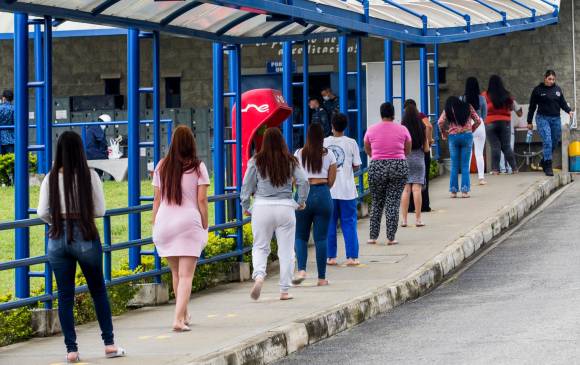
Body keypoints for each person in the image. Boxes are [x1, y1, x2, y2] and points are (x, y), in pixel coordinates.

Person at [37, 131, 125, 363]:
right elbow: (100, 210)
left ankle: (72, 350)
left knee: (64, 296)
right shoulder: (90, 176)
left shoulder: (50, 177)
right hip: (85, 234)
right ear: (80, 150)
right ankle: (109, 344)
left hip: (57, 237)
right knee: (98, 291)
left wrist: (57, 221)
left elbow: (41, 212)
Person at [152, 125, 210, 332]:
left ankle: (183, 314)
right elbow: (201, 200)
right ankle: (177, 319)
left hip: (164, 223)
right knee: (186, 276)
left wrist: (154, 222)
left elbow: (157, 199)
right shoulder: (198, 167)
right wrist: (205, 222)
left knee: (176, 274)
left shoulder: (161, 166)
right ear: (191, 143)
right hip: (188, 223)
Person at [241, 127, 309, 300]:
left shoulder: (256, 160)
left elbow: (246, 186)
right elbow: (303, 181)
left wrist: (246, 206)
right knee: (286, 251)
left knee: (260, 247)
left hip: (262, 207)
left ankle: (259, 276)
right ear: (282, 142)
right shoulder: (290, 160)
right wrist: (299, 202)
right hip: (285, 207)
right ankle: (284, 290)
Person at [293, 123, 337, 286]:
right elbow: (332, 180)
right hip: (323, 193)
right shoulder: (329, 154)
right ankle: (321, 278)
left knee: (300, 236)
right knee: (321, 238)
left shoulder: (298, 153)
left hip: (303, 195)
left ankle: (302, 270)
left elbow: (293, 179)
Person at [364, 102, 411, 245]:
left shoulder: (371, 129)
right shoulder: (402, 129)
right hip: (398, 165)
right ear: (393, 114)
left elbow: (367, 147)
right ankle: (391, 237)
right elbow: (407, 149)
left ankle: (373, 237)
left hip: (377, 165)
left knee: (377, 202)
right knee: (393, 202)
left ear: (381, 114)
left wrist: (377, 157)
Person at [324, 113, 362, 266]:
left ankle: (330, 257)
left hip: (329, 190)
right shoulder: (351, 142)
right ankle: (352, 257)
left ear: (332, 126)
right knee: (349, 223)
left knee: (330, 223)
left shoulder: (324, 142)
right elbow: (357, 165)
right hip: (347, 190)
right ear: (345, 127)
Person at [527, 70, 575, 176]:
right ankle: (548, 165)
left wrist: (569, 110)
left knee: (555, 141)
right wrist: (529, 121)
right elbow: (532, 107)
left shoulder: (557, 90)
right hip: (542, 118)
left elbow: (562, 102)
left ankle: (544, 160)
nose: (551, 81)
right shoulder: (538, 90)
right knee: (547, 140)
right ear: (545, 78)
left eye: (553, 79)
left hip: (556, 119)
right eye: (549, 79)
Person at [438, 97, 482, 198]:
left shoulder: (449, 108)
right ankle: (465, 191)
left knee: (454, 165)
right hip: (467, 136)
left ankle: (453, 192)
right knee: (465, 166)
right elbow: (478, 121)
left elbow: (440, 122)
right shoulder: (468, 107)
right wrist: (471, 129)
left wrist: (444, 132)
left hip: (453, 137)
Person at [482, 75, 521, 175]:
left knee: (495, 147)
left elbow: (481, 109)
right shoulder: (507, 95)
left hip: (490, 123)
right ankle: (515, 169)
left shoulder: (484, 95)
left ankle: (495, 170)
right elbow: (516, 110)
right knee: (506, 146)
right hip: (505, 122)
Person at [400, 103, 429, 227]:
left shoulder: (402, 127)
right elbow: (426, 148)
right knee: (416, 189)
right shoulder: (421, 126)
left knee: (406, 190)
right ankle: (418, 220)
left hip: (405, 158)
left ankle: (404, 220)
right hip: (418, 159)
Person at [404, 99, 433, 213]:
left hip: (407, 154)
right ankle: (424, 206)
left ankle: (409, 208)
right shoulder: (420, 116)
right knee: (421, 181)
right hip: (420, 153)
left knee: (407, 185)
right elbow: (429, 126)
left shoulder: (404, 121)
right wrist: (428, 140)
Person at [461, 77, 488, 185]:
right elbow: (485, 114)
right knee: (479, 152)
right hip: (479, 124)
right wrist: (480, 120)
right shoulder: (481, 99)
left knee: (467, 153)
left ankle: (465, 178)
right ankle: (481, 178)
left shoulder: (462, 98)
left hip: (467, 125)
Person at [499, 99, 523, 174]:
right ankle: (510, 168)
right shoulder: (510, 100)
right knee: (509, 148)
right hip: (508, 127)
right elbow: (520, 114)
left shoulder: (493, 99)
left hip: (498, 127)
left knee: (500, 149)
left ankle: (502, 169)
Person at [0, 89, 15, 155]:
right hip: (11, 138)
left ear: (4, 98)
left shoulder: (0, 108)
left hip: (1, 137)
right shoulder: (14, 108)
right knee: (11, 160)